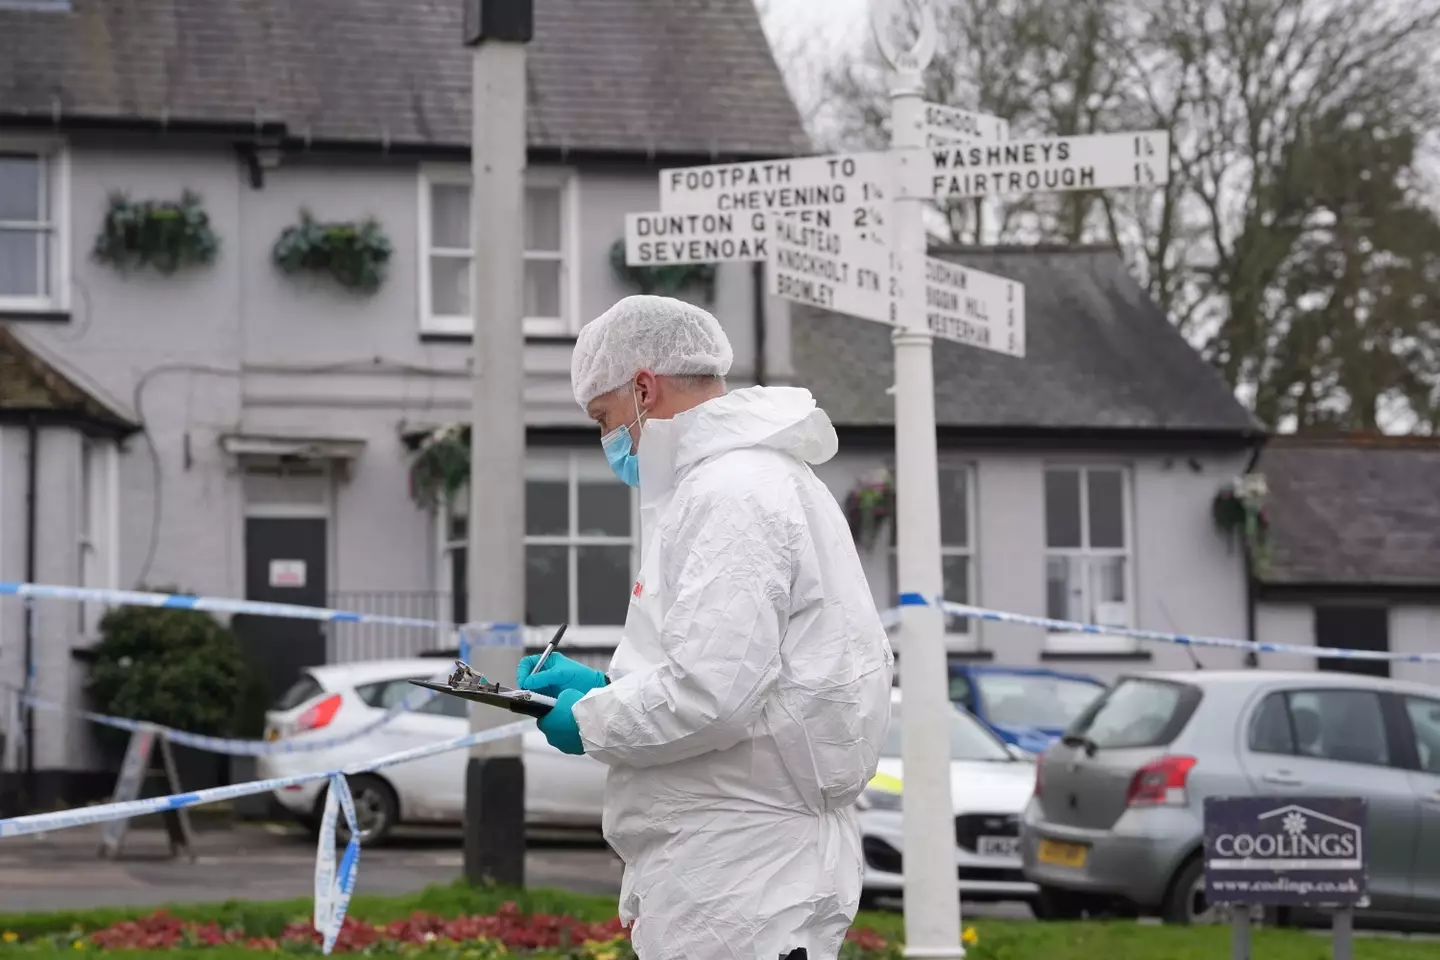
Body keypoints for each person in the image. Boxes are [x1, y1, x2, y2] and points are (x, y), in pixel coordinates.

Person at [515, 295, 894, 960]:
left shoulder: (731, 493)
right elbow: (745, 675)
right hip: (749, 857)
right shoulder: (754, 480)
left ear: (642, 388)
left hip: (738, 874)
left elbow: (711, 695)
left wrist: (593, 719)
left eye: (605, 420)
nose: (609, 441)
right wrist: (605, 686)